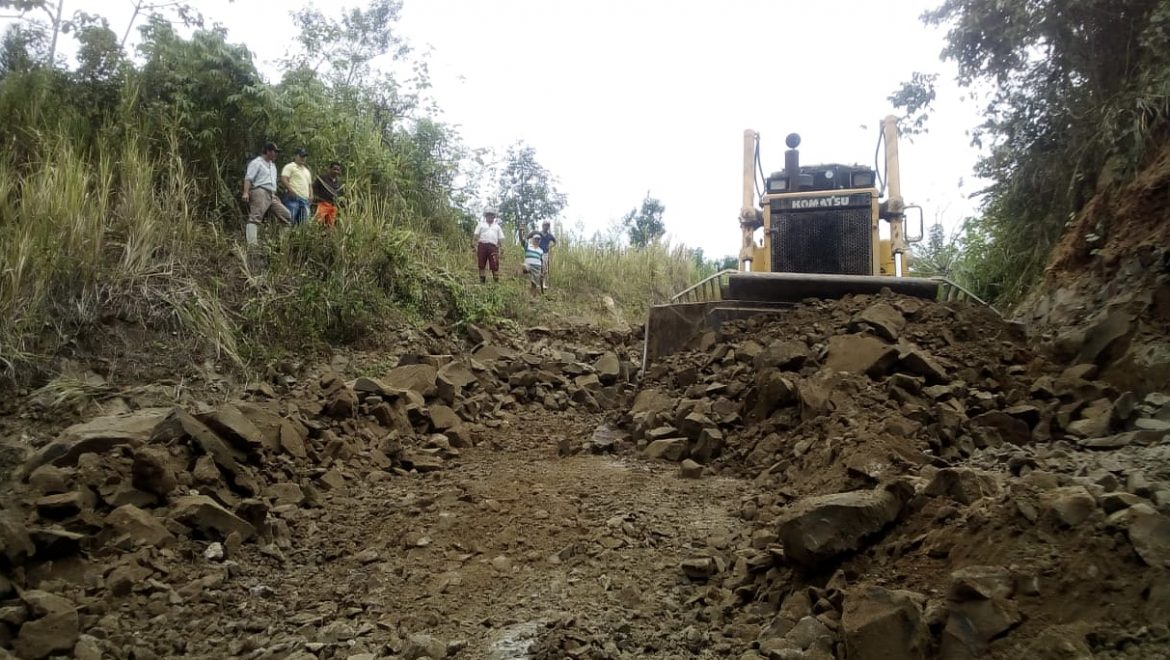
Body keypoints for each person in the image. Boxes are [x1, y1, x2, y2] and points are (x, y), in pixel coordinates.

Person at [242, 141, 292, 245]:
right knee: (255, 216)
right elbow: (248, 178)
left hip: (271, 194)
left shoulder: (273, 166)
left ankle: (282, 244)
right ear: (268, 151)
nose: (276, 154)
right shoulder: (257, 162)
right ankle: (252, 245)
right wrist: (246, 192)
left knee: (286, 215)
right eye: (275, 152)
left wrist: (274, 195)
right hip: (260, 190)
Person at [280, 148, 313, 224]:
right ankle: (285, 236)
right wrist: (291, 190)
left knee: (304, 224)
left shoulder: (307, 171)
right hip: (293, 198)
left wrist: (311, 195)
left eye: (304, 157)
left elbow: (310, 185)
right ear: (295, 156)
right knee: (289, 220)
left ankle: (299, 236)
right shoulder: (290, 166)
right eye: (301, 156)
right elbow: (284, 179)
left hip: (305, 200)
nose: (303, 158)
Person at [473, 206, 504, 283]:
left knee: (495, 265)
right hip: (482, 246)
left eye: (492, 215)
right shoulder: (481, 224)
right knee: (481, 264)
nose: (490, 216)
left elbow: (500, 238)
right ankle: (482, 282)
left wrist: (502, 248)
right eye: (488, 215)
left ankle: (496, 282)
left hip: (493, 247)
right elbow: (476, 235)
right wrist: (474, 244)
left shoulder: (497, 227)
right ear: (486, 216)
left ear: (494, 216)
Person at [313, 161, 345, 228]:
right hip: (323, 204)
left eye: (338, 170)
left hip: (333, 206)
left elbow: (339, 193)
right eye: (334, 169)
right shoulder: (322, 178)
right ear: (330, 169)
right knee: (317, 222)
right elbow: (314, 188)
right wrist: (317, 199)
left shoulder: (338, 182)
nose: (336, 171)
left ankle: (327, 237)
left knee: (330, 225)